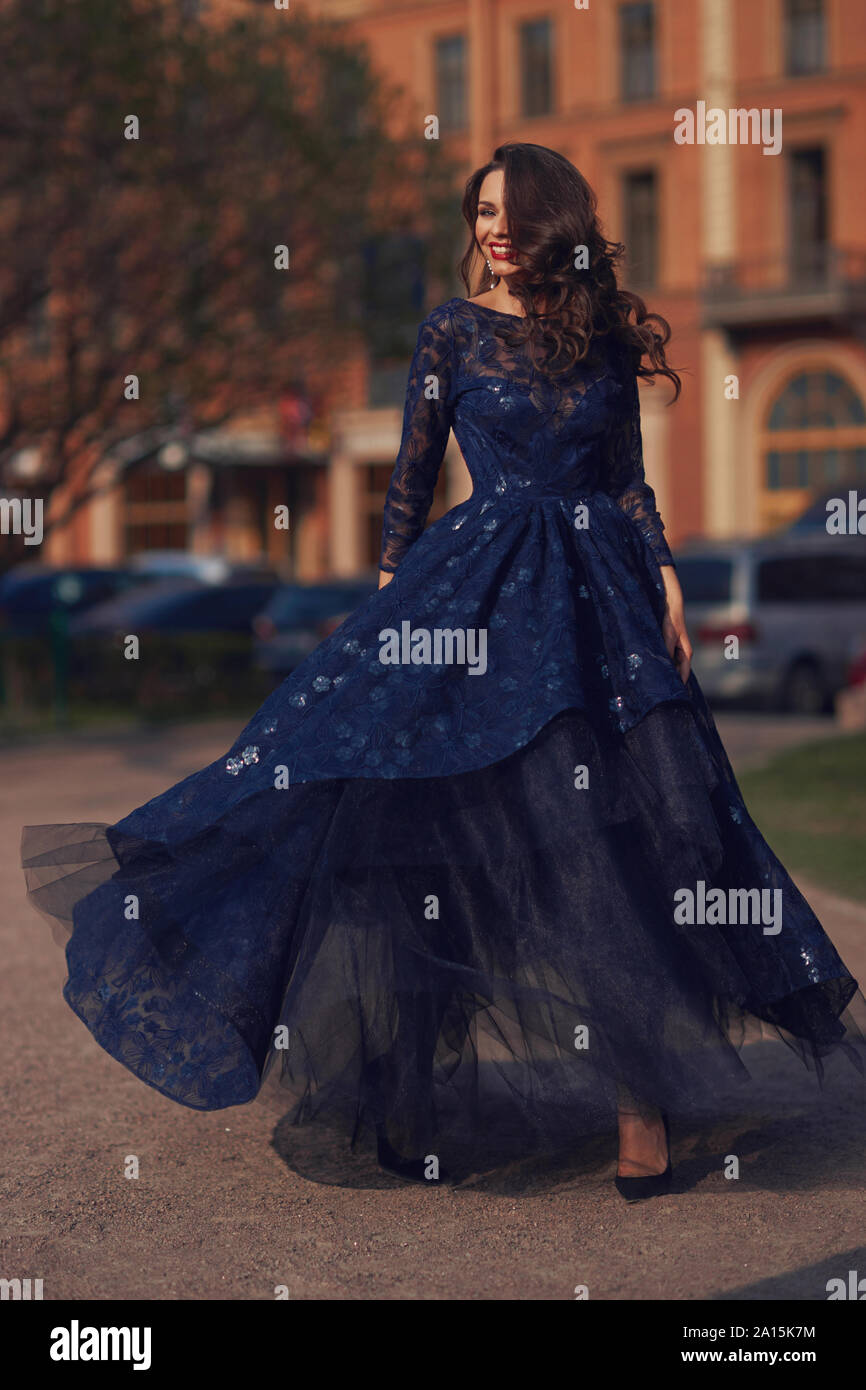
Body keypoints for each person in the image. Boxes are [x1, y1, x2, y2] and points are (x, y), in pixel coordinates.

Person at [22, 142, 866, 1200]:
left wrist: (666, 579)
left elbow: (629, 482)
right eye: (478, 213)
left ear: (555, 221)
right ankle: (392, 1087)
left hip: (597, 603)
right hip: (475, 591)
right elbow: (411, 478)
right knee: (402, 824)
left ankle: (637, 1099)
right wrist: (388, 600)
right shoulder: (449, 331)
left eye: (510, 213)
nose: (492, 231)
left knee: (609, 847)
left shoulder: (603, 341)